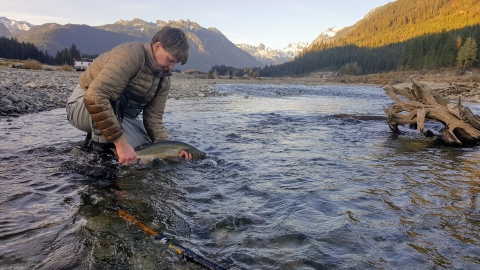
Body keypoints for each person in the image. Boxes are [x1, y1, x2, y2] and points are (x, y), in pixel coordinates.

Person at [66, 26, 192, 164]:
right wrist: (121, 144)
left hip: (121, 116)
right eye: (170, 60)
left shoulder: (164, 78)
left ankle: (92, 145)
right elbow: (95, 97)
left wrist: (170, 150)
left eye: (175, 63)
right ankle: (99, 161)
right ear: (157, 47)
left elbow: (154, 119)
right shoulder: (129, 55)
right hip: (83, 105)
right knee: (114, 98)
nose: (171, 68)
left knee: (145, 151)